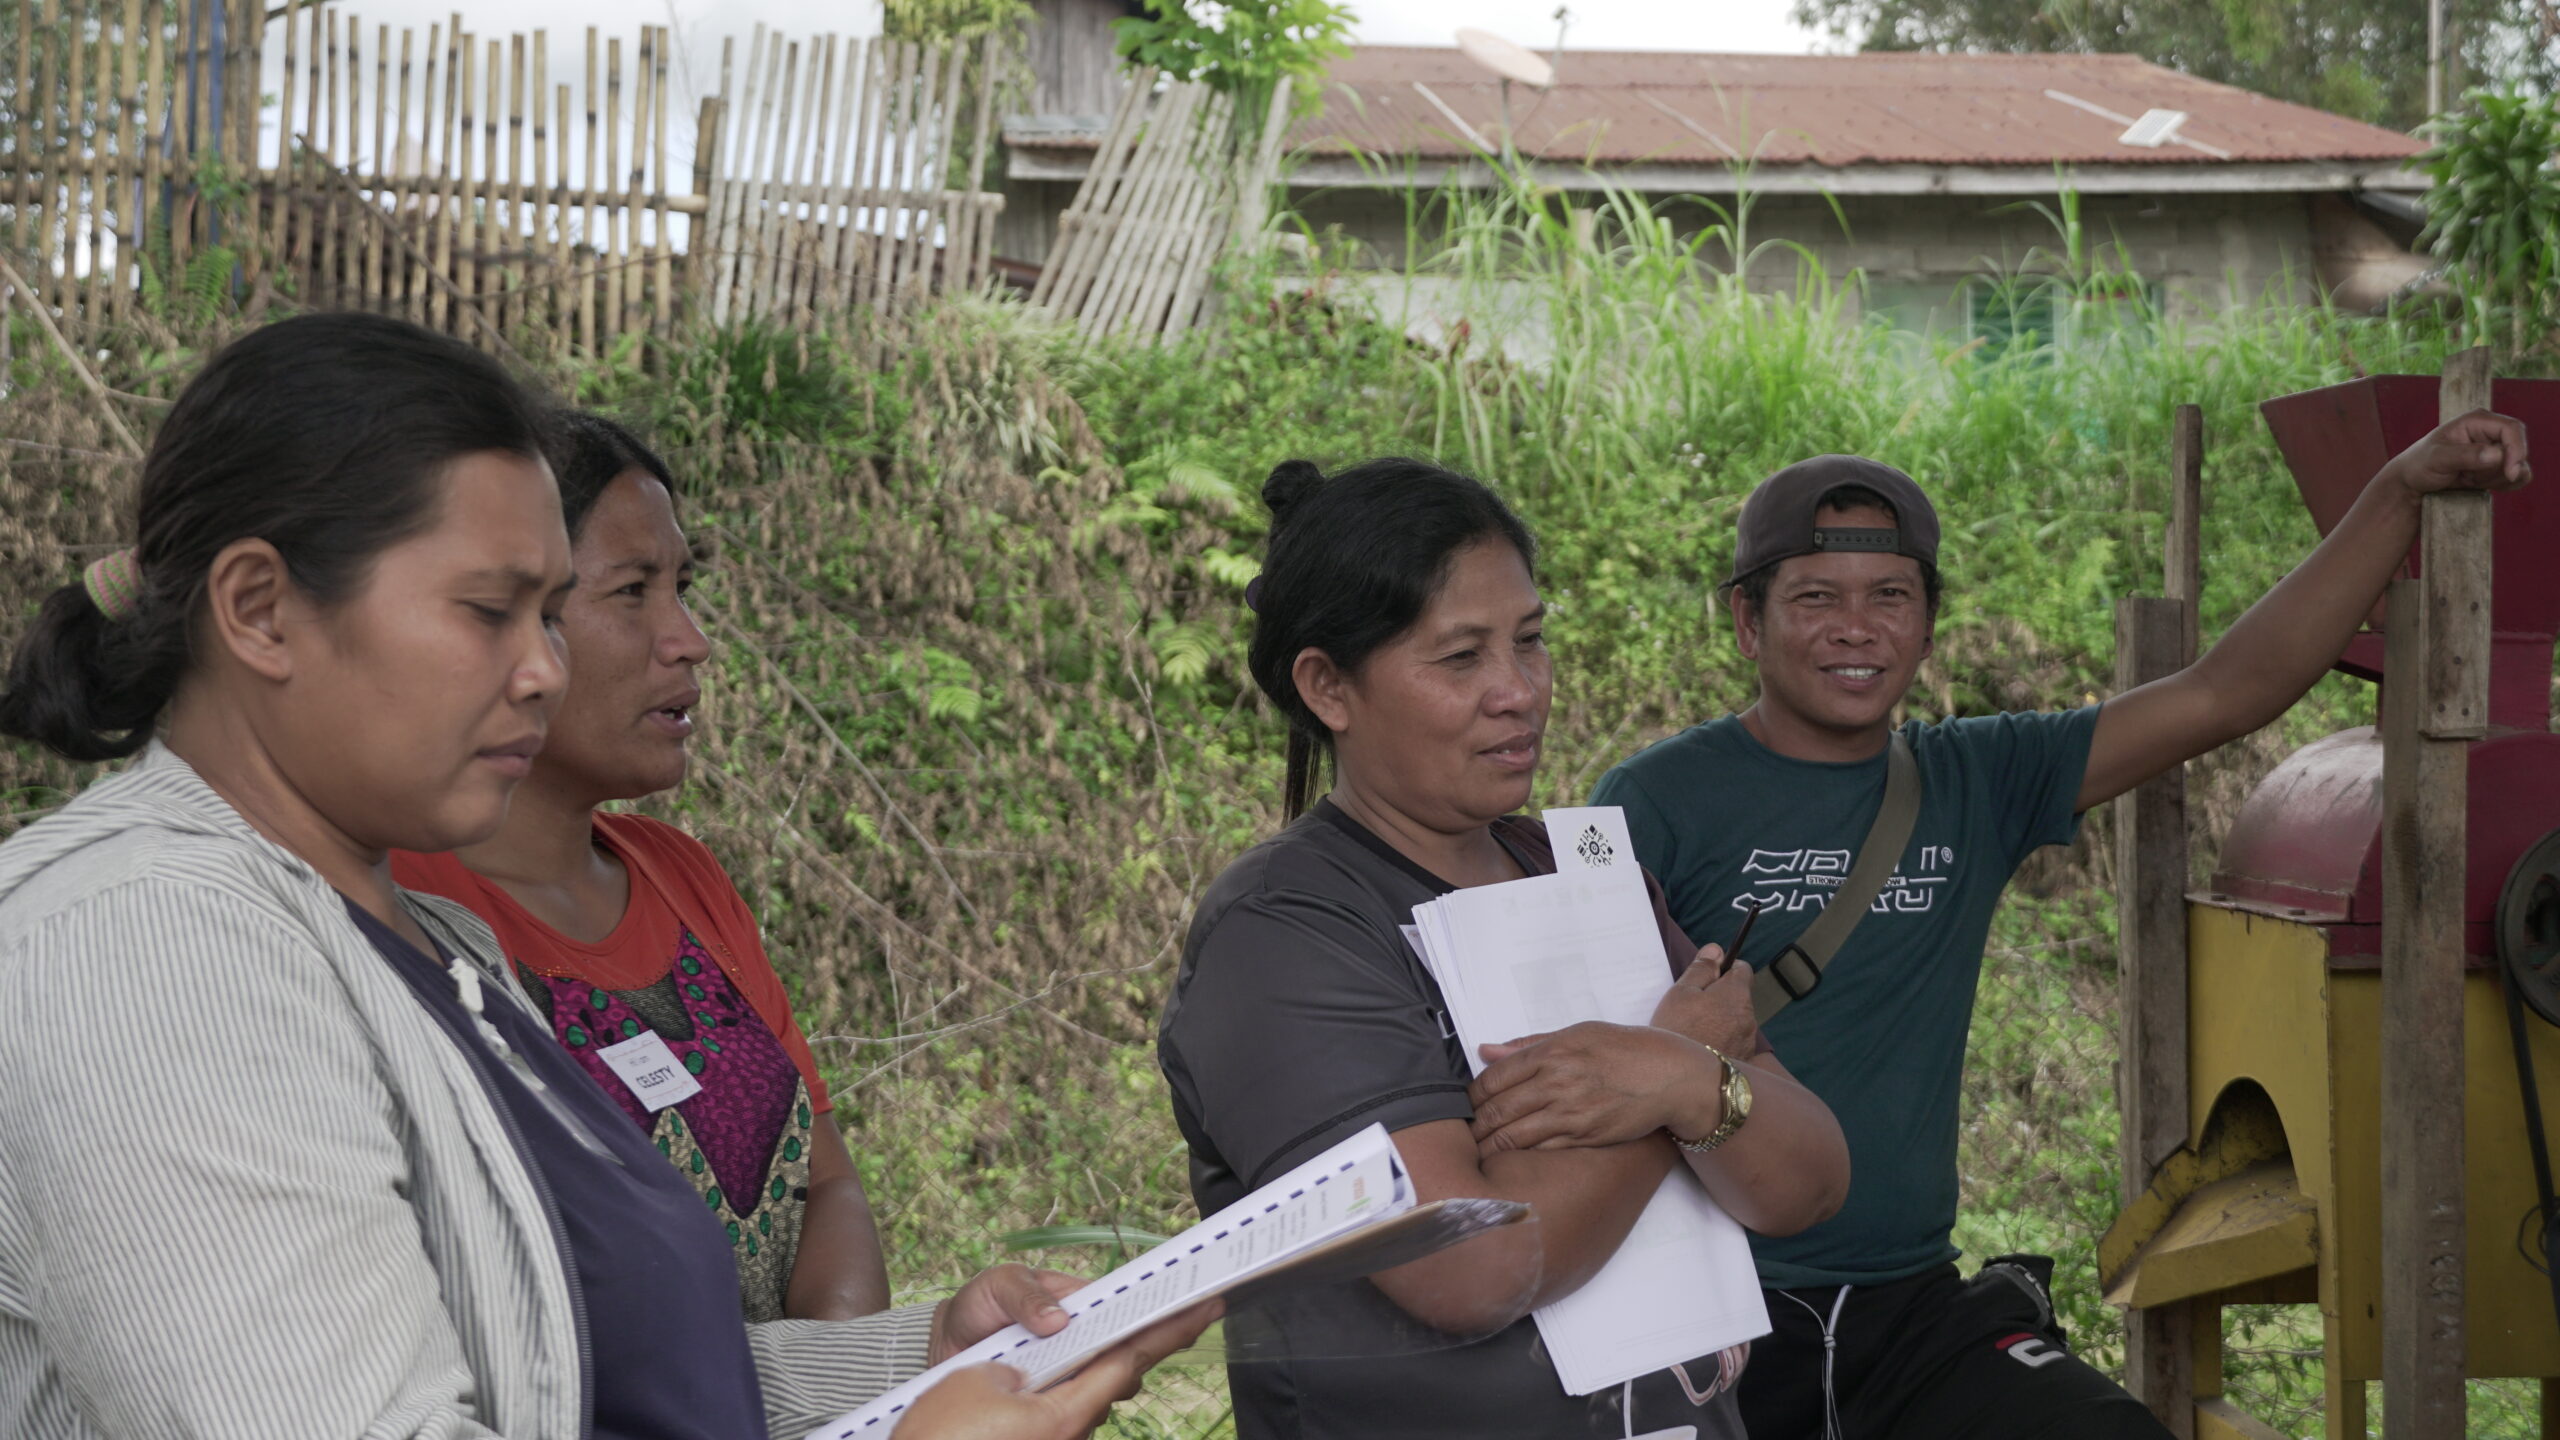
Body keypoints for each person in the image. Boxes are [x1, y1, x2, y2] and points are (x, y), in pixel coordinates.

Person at [0, 312, 1203, 1440]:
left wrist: (923, 1360)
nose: (538, 672)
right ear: (260, 610)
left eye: (553, 618)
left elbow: (593, 1376)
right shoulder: (143, 947)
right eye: (489, 613)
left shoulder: (430, 944)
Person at [1588, 424, 2530, 1440]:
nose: (1854, 628)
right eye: (1815, 598)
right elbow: (1585, 1050)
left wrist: (2396, 488)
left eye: (1888, 597)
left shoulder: (1977, 780)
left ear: (1928, 626)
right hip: (1707, 1313)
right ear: (1746, 620)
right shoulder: (1653, 801)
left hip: (1911, 1313)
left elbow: (2228, 690)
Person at [1157, 457, 1851, 1440]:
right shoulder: (1284, 934)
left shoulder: (1585, 874)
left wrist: (1687, 1080)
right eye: (1460, 659)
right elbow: (1470, 1266)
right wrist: (1676, 1083)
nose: (1517, 691)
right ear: (1327, 686)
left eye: (1529, 643)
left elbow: (1811, 1180)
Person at [393, 411, 888, 1325]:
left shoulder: (682, 876)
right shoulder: (399, 912)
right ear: (507, 616)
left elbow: (828, 1187)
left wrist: (848, 1386)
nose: (689, 639)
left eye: (684, 587)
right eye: (632, 593)